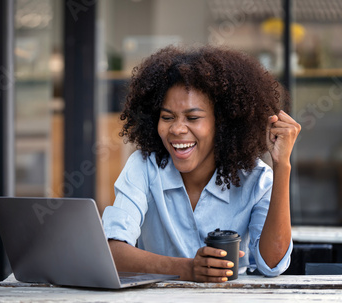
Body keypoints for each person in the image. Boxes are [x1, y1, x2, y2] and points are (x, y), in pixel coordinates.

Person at [101, 45, 301, 282]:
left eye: (193, 118)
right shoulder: (144, 167)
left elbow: (272, 264)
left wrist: (282, 166)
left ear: (223, 122)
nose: (176, 129)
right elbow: (111, 253)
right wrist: (188, 268)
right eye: (167, 117)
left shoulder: (256, 179)